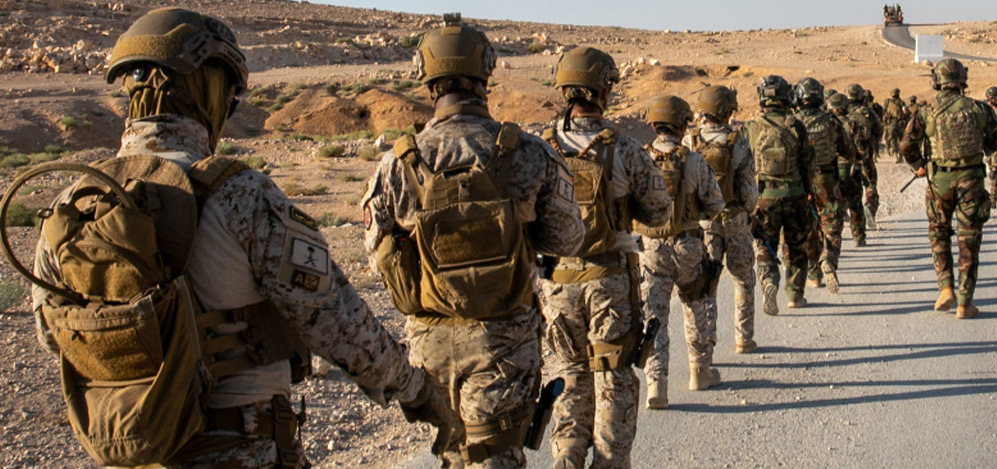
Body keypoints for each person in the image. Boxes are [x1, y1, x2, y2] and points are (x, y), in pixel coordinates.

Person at [28, 8, 458, 468]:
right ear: (207, 88)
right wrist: (416, 391)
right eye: (229, 94)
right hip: (239, 447)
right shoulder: (239, 193)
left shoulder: (75, 203)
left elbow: (52, 335)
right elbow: (335, 321)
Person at [362, 14, 585, 467]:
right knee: (497, 453)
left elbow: (376, 256)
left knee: (454, 455)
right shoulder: (528, 152)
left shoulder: (396, 164)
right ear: (486, 73)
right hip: (504, 341)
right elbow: (568, 238)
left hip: (429, 343)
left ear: (427, 80)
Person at [536, 46, 672, 467]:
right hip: (610, 283)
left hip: (557, 283)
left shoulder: (538, 148)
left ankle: (567, 455)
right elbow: (660, 212)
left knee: (569, 376)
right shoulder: (626, 149)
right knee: (614, 378)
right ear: (603, 90)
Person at [900, 58, 997, 319]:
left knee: (939, 234)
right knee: (969, 240)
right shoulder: (979, 109)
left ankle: (945, 286)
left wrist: (918, 166)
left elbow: (906, 145)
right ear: (962, 80)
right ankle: (964, 303)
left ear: (937, 81)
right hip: (971, 180)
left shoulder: (926, 112)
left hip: (939, 183)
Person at [638, 95, 726, 407]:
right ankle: (699, 372)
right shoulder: (694, 160)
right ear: (682, 125)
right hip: (688, 243)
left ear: (652, 124)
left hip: (651, 248)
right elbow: (715, 205)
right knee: (695, 306)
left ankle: (656, 384)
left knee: (654, 315)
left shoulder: (639, 158)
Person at [685, 85, 759, 354]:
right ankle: (743, 338)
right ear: (728, 111)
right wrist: (749, 213)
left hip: (704, 223)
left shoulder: (690, 142)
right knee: (743, 279)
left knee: (707, 283)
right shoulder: (737, 142)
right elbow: (748, 189)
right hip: (735, 218)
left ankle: (707, 343)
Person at [748, 75, 815, 314]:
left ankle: (769, 282)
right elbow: (808, 161)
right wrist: (809, 192)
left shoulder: (752, 127)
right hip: (795, 194)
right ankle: (795, 296)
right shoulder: (796, 124)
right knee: (796, 246)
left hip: (765, 196)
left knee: (766, 246)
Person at [794, 78, 855, 294]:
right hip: (827, 179)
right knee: (832, 222)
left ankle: (813, 275)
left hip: (800, 181)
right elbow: (849, 151)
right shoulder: (831, 121)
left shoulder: (792, 122)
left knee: (808, 226)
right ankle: (829, 258)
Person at [843, 83, 883, 238]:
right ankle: (870, 208)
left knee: (848, 190)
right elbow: (879, 130)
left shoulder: (842, 114)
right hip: (865, 157)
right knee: (870, 184)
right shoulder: (869, 113)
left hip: (846, 160)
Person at [827, 92, 865, 251]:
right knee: (855, 203)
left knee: (834, 207)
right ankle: (858, 236)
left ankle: (832, 242)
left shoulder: (826, 124)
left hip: (830, 171)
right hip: (849, 169)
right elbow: (862, 149)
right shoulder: (852, 124)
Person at [883, 88, 909, 161]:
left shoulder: (887, 102)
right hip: (900, 123)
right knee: (901, 139)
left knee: (893, 139)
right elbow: (905, 112)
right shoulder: (901, 102)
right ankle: (900, 154)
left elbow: (883, 111)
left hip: (891, 123)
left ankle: (895, 154)